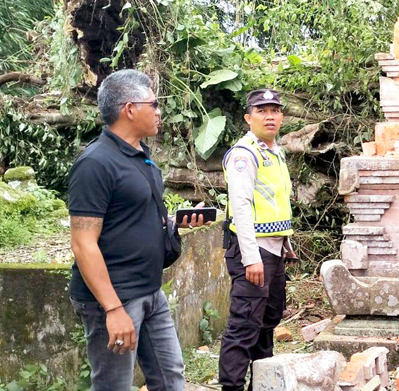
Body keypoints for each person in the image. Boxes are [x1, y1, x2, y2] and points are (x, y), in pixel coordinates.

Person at [69, 69, 205, 390]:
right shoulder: (95, 163)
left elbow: (134, 219)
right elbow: (82, 243)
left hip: (150, 292)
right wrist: (113, 309)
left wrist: (175, 224)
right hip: (115, 297)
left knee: (171, 378)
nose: (159, 112)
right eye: (154, 104)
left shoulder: (142, 157)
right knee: (114, 385)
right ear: (129, 109)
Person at [219, 88, 295, 391]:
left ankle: (262, 385)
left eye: (275, 110)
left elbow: (275, 203)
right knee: (244, 325)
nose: (270, 116)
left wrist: (284, 247)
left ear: (282, 117)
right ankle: (232, 387)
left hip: (273, 251)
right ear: (248, 118)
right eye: (262, 111)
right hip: (253, 253)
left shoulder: (274, 152)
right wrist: (251, 257)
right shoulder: (244, 154)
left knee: (267, 323)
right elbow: (241, 207)